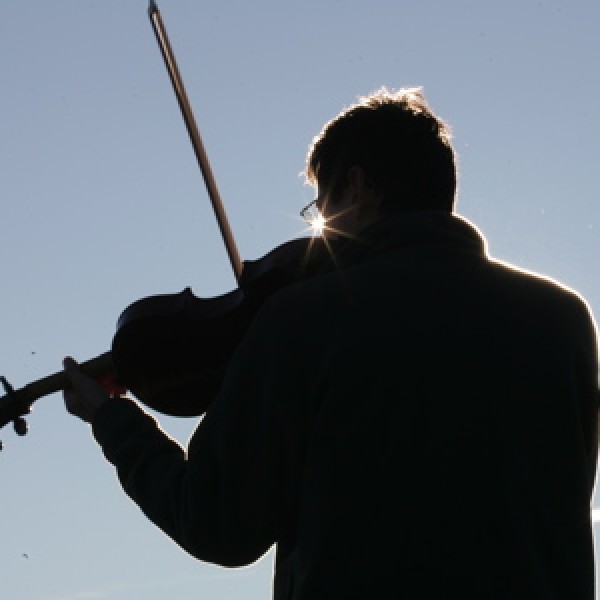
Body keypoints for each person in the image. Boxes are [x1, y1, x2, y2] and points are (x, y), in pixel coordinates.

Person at [63, 87, 598, 599]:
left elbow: (217, 523)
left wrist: (112, 421)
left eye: (321, 205)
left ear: (359, 185)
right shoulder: (563, 320)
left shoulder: (305, 317)